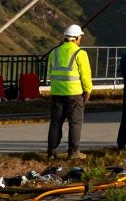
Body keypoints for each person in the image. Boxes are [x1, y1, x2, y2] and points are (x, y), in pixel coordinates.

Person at [47, 24, 92, 159]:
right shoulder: (80, 53)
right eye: (80, 38)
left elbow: (50, 73)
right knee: (75, 123)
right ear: (77, 38)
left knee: (56, 123)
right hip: (74, 94)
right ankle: (73, 153)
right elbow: (85, 75)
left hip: (56, 94)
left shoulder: (54, 52)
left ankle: (51, 152)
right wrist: (87, 90)